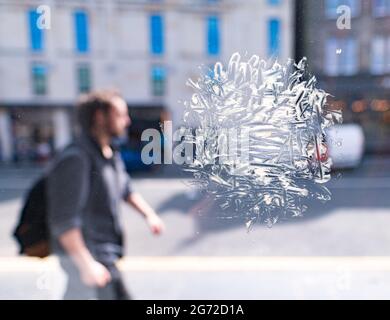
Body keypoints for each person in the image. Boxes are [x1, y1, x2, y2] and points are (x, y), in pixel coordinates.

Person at [47, 89, 165, 300]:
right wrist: (86, 265)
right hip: (89, 257)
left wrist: (149, 215)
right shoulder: (76, 158)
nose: (127, 121)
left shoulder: (110, 153)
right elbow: (64, 220)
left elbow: (126, 189)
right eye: (120, 114)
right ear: (100, 117)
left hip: (103, 256)